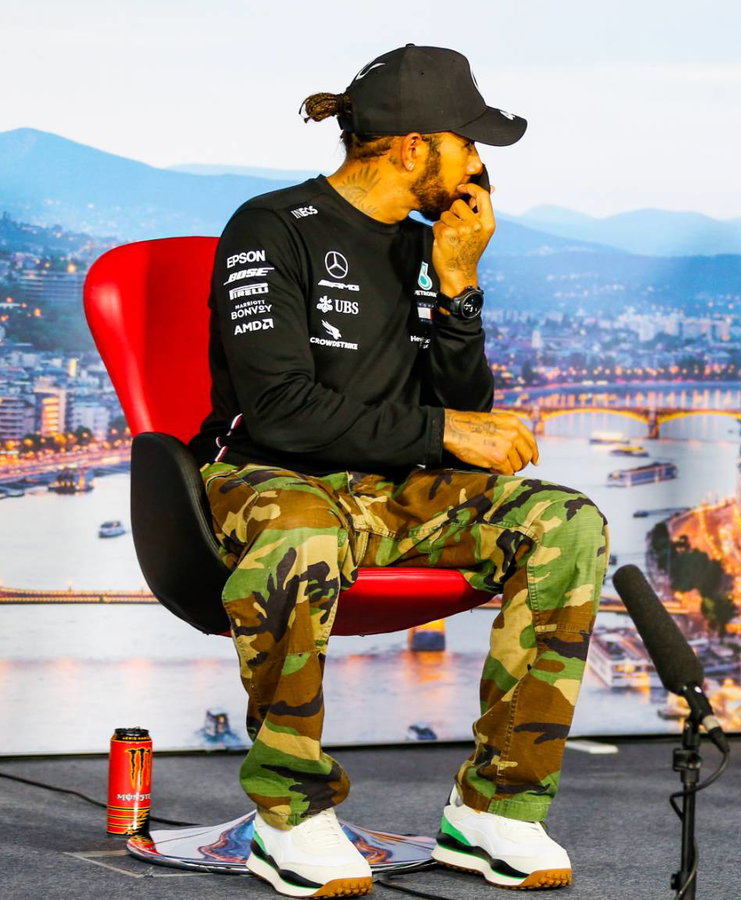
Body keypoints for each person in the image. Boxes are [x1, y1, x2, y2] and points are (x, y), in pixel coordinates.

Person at [189, 45, 608, 896]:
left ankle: (496, 808)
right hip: (271, 481)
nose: (480, 166)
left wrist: (459, 288)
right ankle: (290, 814)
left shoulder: (429, 246)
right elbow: (281, 411)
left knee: (568, 524)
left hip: (393, 492)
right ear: (416, 147)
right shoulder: (269, 227)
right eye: (469, 144)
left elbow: (463, 408)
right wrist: (448, 428)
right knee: (301, 532)